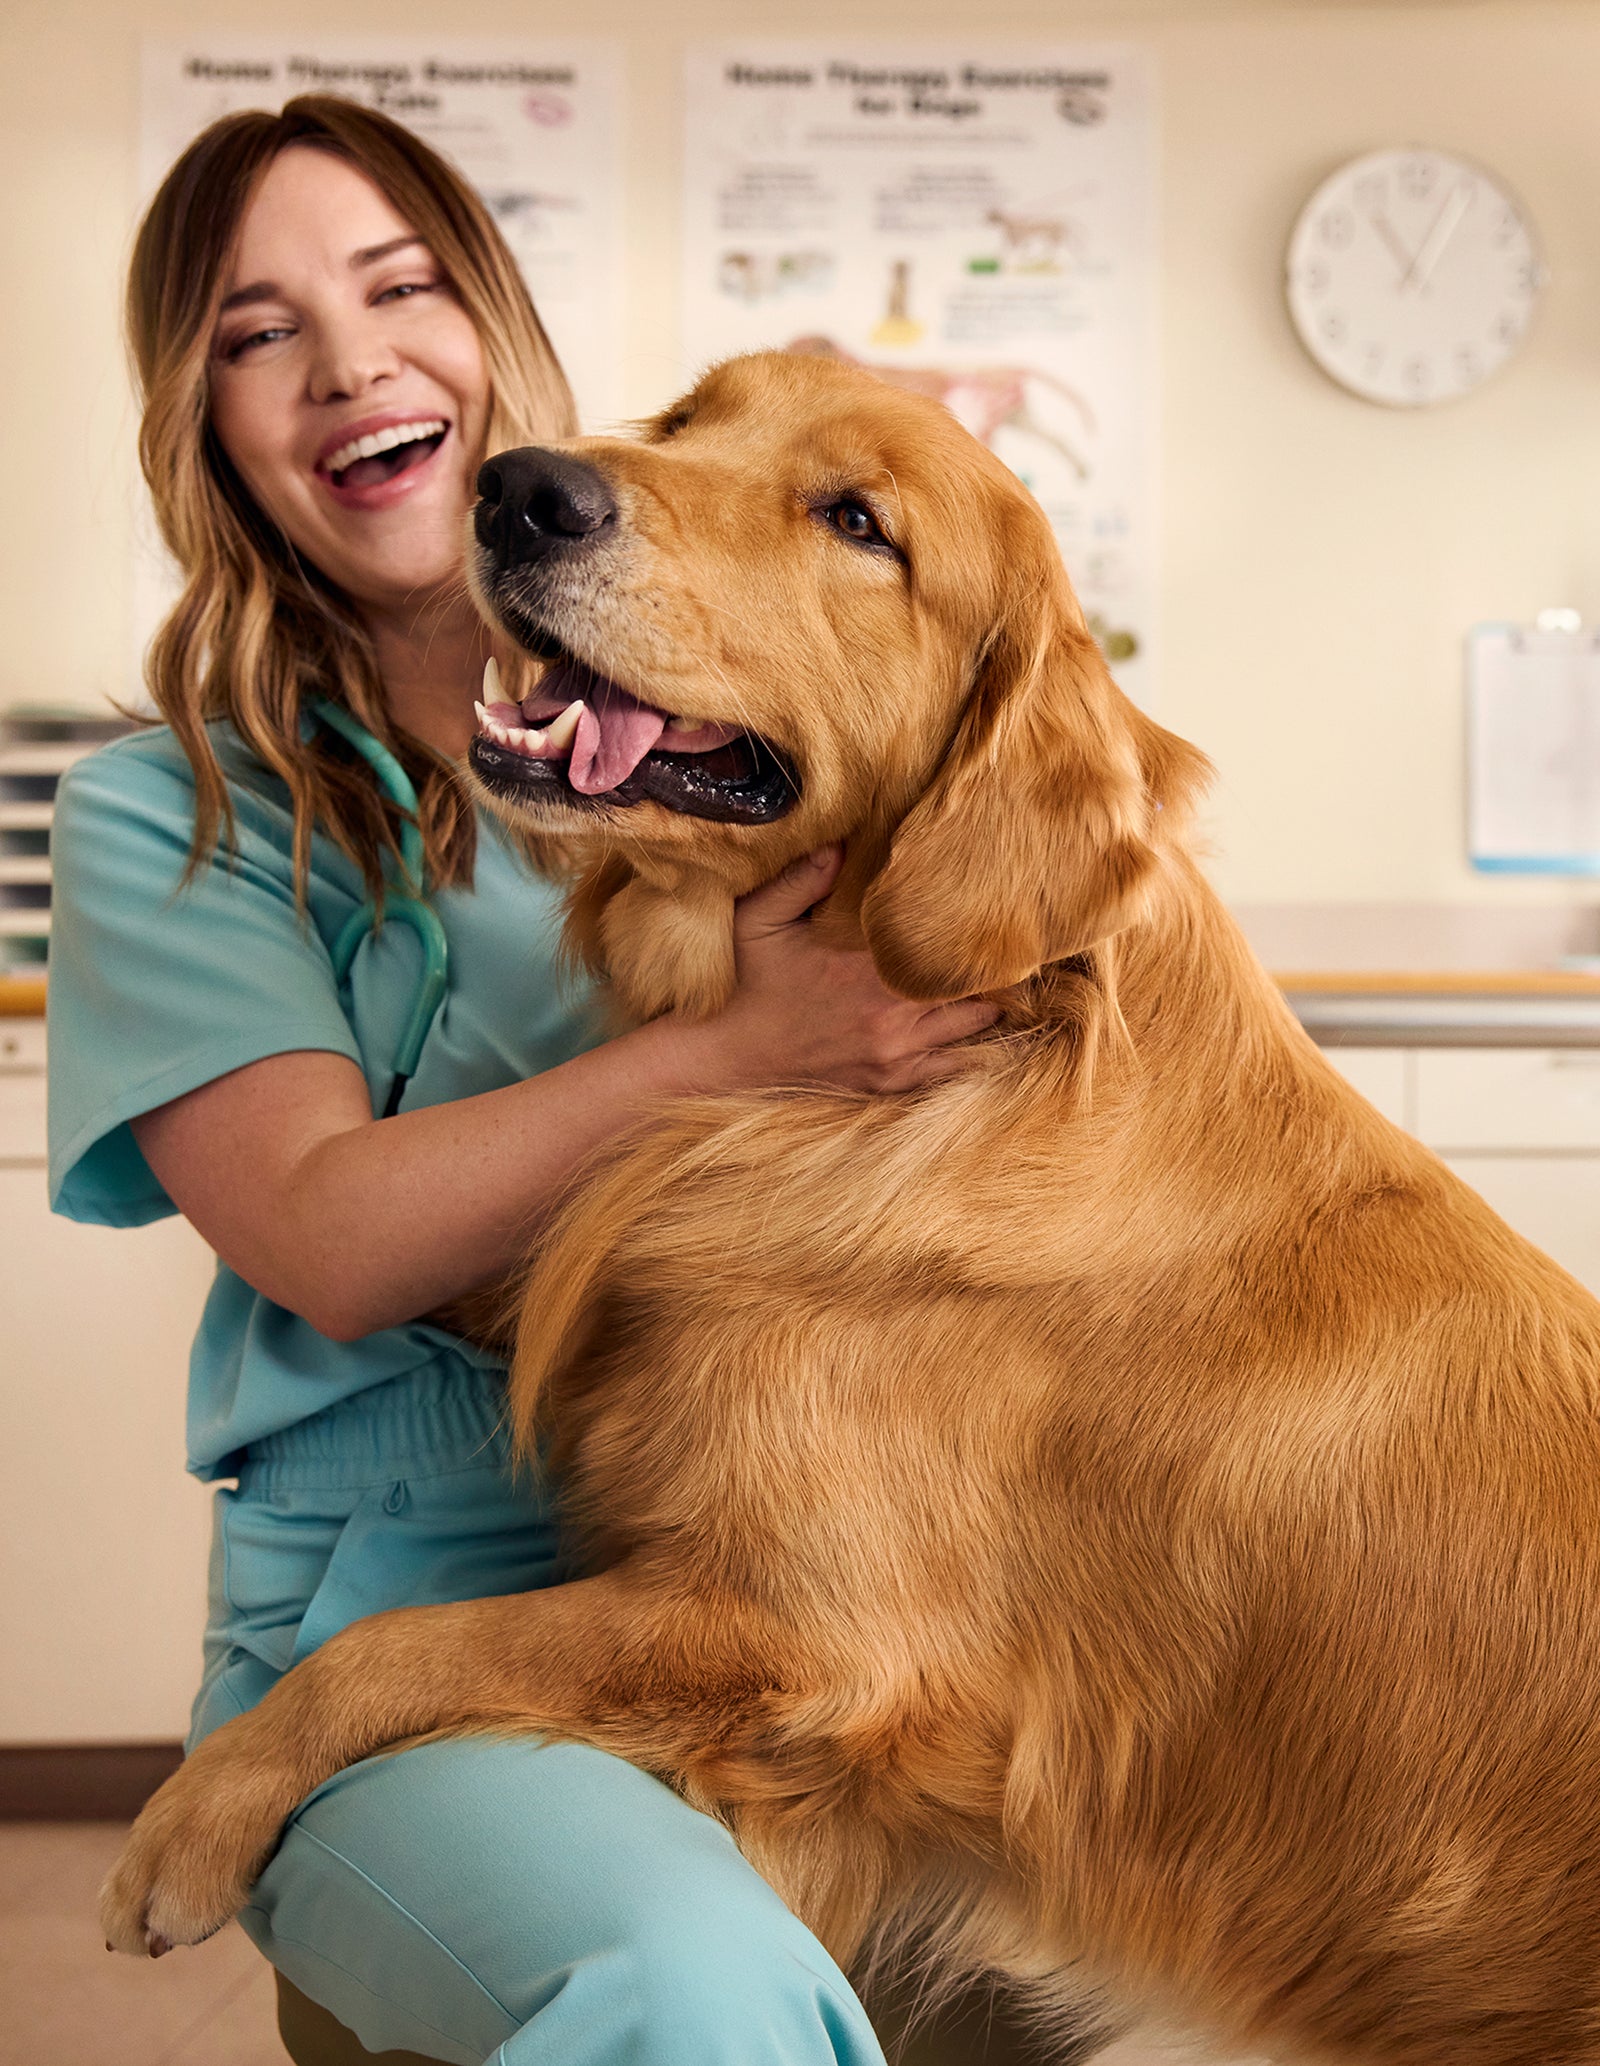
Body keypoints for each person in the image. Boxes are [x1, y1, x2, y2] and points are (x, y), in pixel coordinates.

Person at [46, 98, 997, 2066]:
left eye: (399, 289)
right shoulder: (166, 811)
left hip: (800, 1582)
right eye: (254, 331)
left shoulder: (709, 729)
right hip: (403, 1604)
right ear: (203, 423)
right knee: (677, 1995)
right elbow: (322, 1233)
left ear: (489, 329)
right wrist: (727, 1049)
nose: (347, 363)